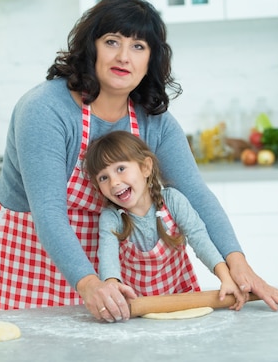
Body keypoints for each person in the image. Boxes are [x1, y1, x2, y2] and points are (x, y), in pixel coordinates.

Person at [0, 0, 278, 323]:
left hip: (105, 257)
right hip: (28, 253)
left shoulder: (154, 121)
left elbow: (197, 196)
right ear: (91, 47)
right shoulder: (46, 110)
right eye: (112, 41)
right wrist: (88, 283)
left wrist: (237, 263)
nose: (124, 56)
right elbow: (49, 212)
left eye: (138, 46)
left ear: (150, 60)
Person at [84, 131, 246, 310]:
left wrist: (226, 279)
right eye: (103, 178)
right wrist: (112, 286)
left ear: (145, 167)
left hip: (182, 299)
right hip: (136, 307)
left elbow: (200, 239)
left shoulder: (173, 201)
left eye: (120, 169)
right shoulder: (111, 218)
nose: (114, 182)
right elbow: (108, 258)